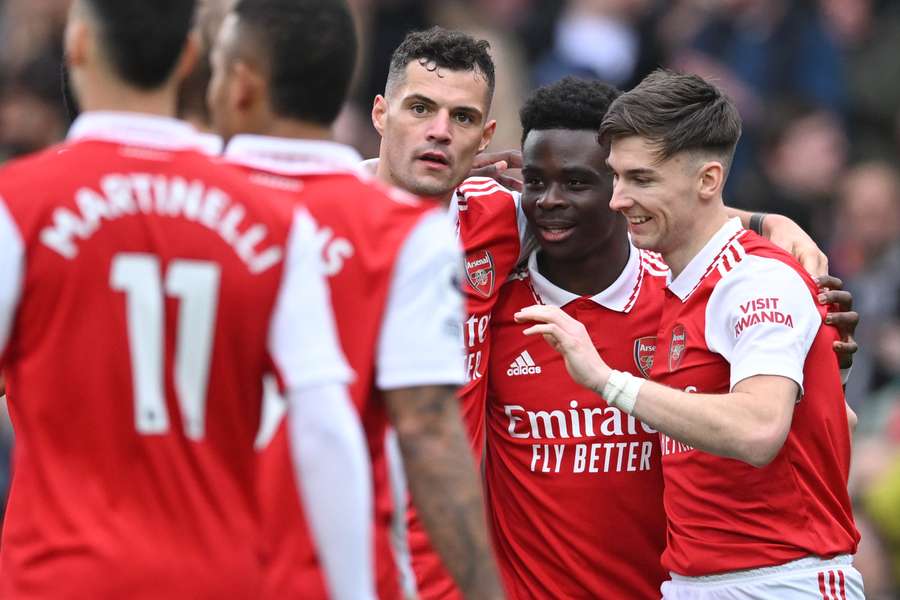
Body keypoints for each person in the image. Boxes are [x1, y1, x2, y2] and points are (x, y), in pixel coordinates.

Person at [0, 1, 373, 598]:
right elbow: (326, 431)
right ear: (193, 59)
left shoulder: (18, 205)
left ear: (76, 47)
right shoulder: (271, 221)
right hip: (217, 575)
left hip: (57, 574)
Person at [517, 69, 863, 599]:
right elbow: (833, 423)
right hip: (699, 582)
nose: (619, 199)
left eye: (642, 179)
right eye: (617, 177)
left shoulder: (753, 277)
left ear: (707, 180)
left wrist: (607, 381)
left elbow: (758, 430)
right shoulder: (685, 285)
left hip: (779, 582)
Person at [206, 4, 504, 600]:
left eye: (462, 117)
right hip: (306, 548)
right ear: (380, 112)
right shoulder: (291, 218)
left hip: (436, 568)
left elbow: (632, 221)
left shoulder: (504, 219)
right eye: (420, 109)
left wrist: (747, 221)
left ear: (487, 136)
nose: (440, 130)